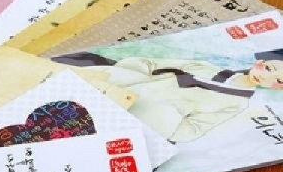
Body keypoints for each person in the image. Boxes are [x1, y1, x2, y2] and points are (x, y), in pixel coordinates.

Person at [52, 49, 283, 143]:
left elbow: (193, 130)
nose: (266, 76)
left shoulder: (236, 103)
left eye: (279, 80)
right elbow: (152, 63)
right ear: (261, 62)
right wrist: (134, 74)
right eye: (269, 68)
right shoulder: (208, 67)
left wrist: (168, 113)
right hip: (126, 82)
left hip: (145, 116)